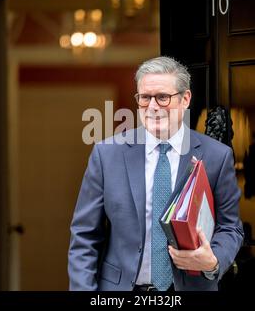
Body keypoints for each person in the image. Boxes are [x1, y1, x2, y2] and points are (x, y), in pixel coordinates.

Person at [68, 56, 244, 291]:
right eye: (145, 98)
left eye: (162, 97)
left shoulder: (216, 156)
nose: (152, 107)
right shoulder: (107, 154)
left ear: (185, 99)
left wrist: (212, 261)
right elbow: (84, 237)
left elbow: (230, 227)